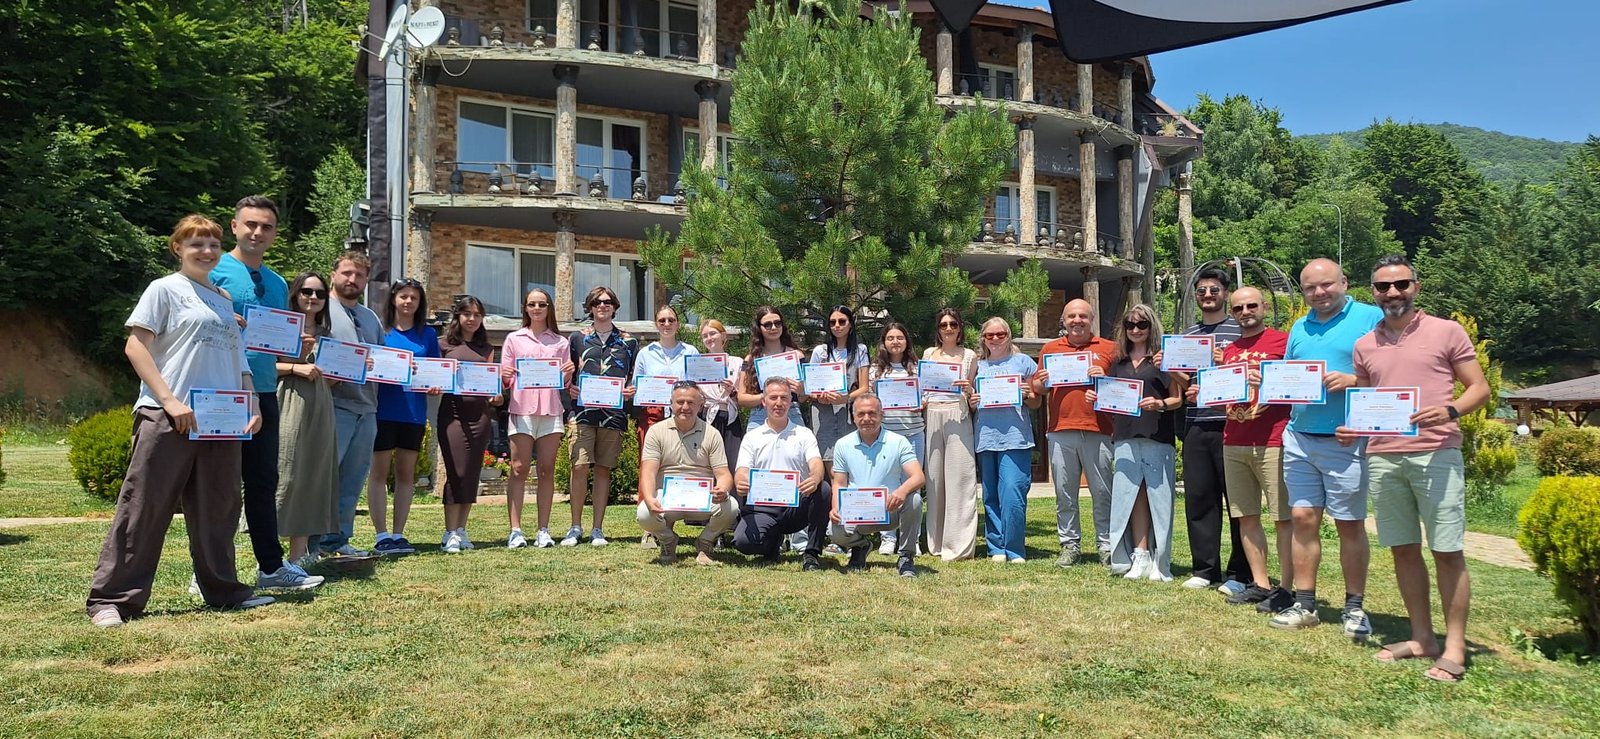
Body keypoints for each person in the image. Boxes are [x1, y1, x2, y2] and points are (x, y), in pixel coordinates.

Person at [86, 215, 273, 627]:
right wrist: (169, 401)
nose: (206, 251)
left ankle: (223, 590)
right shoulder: (164, 289)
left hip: (221, 419)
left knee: (219, 508)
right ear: (178, 248)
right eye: (196, 244)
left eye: (213, 244)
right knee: (144, 506)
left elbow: (238, 360)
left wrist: (253, 403)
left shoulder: (222, 299)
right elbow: (136, 347)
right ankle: (113, 600)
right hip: (168, 415)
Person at [1341, 255, 1488, 684]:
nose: (1393, 293)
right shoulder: (1365, 345)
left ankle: (1455, 646)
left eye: (1401, 284)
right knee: (1403, 549)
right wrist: (1353, 429)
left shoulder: (1446, 331)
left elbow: (1479, 388)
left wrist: (1450, 410)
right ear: (1373, 292)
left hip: (1435, 453)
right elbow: (1368, 403)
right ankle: (1422, 637)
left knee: (1447, 550)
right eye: (1383, 286)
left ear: (1416, 287)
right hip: (1383, 456)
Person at [207, 195, 318, 589]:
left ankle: (271, 568)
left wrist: (295, 346)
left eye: (266, 227)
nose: (257, 232)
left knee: (263, 482)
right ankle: (208, 569)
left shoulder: (276, 282)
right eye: (250, 224)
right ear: (235, 227)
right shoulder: (213, 270)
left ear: (274, 234)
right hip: (222, 390)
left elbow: (274, 344)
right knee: (219, 485)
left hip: (265, 391)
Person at [1272, 258, 1384, 638]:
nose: (1319, 293)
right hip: (1300, 437)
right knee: (1302, 519)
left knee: (1349, 525)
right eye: (1310, 288)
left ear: (1344, 282)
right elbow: (1288, 377)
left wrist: (1355, 380)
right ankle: (1305, 604)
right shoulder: (1299, 326)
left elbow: (1392, 373)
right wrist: (1266, 383)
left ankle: (1354, 608)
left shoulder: (1370, 318)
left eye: (1327, 285)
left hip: (1346, 440)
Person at [1193, 287, 1294, 612]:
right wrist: (1203, 394)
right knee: (1246, 516)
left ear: (1264, 307)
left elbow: (1298, 385)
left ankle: (1287, 588)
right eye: (1238, 308)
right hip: (1234, 439)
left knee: (1282, 518)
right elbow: (1224, 399)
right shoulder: (1230, 351)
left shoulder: (1283, 342)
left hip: (1273, 439)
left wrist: (1269, 382)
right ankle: (1260, 584)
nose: (1245, 312)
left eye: (1251, 306)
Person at [1095, 304, 1185, 581]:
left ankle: (1160, 561)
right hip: (1125, 437)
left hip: (1157, 436)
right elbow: (1112, 401)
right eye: (1130, 325)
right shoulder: (1118, 362)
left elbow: (1177, 398)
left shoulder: (1161, 359)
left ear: (1151, 327)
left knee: (1160, 499)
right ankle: (1139, 554)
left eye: (1142, 324)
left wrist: (1159, 404)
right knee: (1130, 498)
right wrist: (1098, 398)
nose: (1135, 330)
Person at [1180, 268, 1250, 593]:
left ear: (1225, 293)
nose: (1208, 295)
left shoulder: (1240, 330)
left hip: (1232, 423)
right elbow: (1184, 381)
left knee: (1237, 500)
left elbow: (1250, 373)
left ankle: (1240, 573)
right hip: (1196, 422)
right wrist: (1171, 367)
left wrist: (1226, 363)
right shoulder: (1188, 335)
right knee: (1199, 498)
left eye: (1214, 290)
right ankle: (1205, 569)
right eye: (1202, 291)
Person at [1033, 299, 1117, 568]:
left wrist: (1104, 377)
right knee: (1065, 493)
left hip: (1099, 429)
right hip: (1061, 429)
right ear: (1064, 320)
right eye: (1071, 316)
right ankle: (1069, 545)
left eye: (1082, 316)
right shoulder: (1050, 349)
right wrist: (1041, 382)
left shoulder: (1109, 348)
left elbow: (1122, 388)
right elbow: (1038, 388)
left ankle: (1106, 545)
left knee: (1103, 492)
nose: (1077, 320)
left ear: (1091, 319)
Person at [368, 278, 441, 555]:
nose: (408, 301)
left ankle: (399, 534)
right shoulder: (380, 331)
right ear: (393, 299)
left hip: (413, 413)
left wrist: (435, 385)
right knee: (378, 473)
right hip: (383, 410)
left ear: (420, 303)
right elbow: (369, 364)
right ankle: (381, 535)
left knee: (406, 475)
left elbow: (435, 371)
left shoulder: (428, 335)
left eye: (414, 298)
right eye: (403, 296)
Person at [274, 272, 340, 573]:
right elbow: (259, 364)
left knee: (312, 474)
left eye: (320, 294)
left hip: (320, 406)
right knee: (285, 472)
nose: (313, 298)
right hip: (287, 400)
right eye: (306, 292)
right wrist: (294, 367)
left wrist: (351, 369)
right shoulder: (280, 326)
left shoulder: (328, 335)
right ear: (295, 294)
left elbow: (331, 377)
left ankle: (298, 555)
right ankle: (269, 552)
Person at [320, 251, 384, 559]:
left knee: (352, 479)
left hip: (367, 408)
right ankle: (312, 542)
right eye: (346, 273)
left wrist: (403, 369)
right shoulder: (321, 309)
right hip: (334, 405)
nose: (352, 279)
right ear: (333, 274)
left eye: (359, 275)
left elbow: (383, 359)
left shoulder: (371, 317)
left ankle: (339, 539)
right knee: (325, 477)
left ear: (366, 280)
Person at [563, 285, 639, 547]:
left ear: (615, 306)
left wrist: (631, 391)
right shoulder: (576, 338)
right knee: (579, 466)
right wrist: (569, 387)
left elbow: (634, 376)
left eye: (607, 302)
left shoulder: (629, 341)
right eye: (597, 303)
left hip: (613, 414)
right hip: (582, 413)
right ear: (590, 308)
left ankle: (597, 528)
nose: (602, 306)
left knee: (604, 469)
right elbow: (567, 374)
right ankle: (575, 527)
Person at [499, 288, 573, 549]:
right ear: (526, 308)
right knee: (518, 468)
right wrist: (505, 375)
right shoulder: (514, 339)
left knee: (546, 469)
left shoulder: (560, 342)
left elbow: (565, 383)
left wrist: (568, 373)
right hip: (522, 409)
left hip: (551, 411)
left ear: (549, 308)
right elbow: (505, 379)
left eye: (542, 304)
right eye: (532, 304)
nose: (537, 308)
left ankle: (543, 529)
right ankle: (515, 530)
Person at [732, 378, 830, 570]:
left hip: (795, 506)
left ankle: (811, 553)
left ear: (790, 401)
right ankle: (772, 544)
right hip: (762, 507)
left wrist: (815, 477)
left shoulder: (803, 433)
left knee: (823, 489)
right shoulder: (752, 437)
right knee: (744, 542)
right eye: (773, 397)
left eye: (784, 398)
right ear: (764, 401)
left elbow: (816, 463)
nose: (779, 403)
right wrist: (741, 481)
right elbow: (741, 470)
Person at [635, 382, 737, 565]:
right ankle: (668, 540)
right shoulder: (656, 432)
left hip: (703, 498)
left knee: (732, 507)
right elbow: (648, 472)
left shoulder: (712, 434)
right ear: (671, 403)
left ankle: (705, 543)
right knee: (644, 513)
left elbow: (723, 474)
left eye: (691, 402)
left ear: (700, 405)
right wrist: (649, 498)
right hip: (667, 498)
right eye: (680, 402)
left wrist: (722, 489)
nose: (685, 407)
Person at [968, 318, 1041, 564]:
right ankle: (995, 547)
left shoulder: (1023, 362)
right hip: (985, 437)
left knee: (1012, 492)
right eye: (990, 335)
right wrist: (972, 402)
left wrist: (1028, 394)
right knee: (990, 496)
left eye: (1000, 334)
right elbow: (970, 400)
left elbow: (1036, 402)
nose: (995, 339)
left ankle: (1015, 549)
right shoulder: (977, 365)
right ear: (983, 338)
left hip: (1016, 438)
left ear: (1009, 336)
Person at [828, 396, 927, 577]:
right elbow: (839, 483)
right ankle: (860, 547)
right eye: (861, 414)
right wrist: (835, 507)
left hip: (891, 510)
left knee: (914, 500)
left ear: (881, 415)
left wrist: (902, 491)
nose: (867, 418)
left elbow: (918, 477)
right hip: (857, 512)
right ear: (853, 417)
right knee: (834, 531)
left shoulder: (898, 441)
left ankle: (906, 557)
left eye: (872, 413)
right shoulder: (843, 444)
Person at [436, 296, 502, 553]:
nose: (472, 319)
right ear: (458, 316)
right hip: (452, 415)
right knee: (456, 472)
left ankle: (461, 529)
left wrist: (497, 396)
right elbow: (434, 375)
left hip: (480, 417)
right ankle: (449, 531)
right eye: (467, 314)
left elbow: (492, 387)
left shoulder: (487, 348)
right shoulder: (443, 344)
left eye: (477, 314)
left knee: (471, 474)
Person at [921, 308, 979, 562]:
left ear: (960, 328)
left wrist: (969, 389)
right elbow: (923, 389)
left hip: (958, 414)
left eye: (953, 324)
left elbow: (973, 395)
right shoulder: (928, 354)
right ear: (938, 329)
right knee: (934, 481)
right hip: (933, 413)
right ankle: (936, 542)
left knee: (960, 479)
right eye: (943, 324)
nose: (948, 329)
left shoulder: (969, 356)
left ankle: (958, 545)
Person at [867, 322, 923, 556]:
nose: (895, 342)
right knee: (887, 485)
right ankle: (888, 537)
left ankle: (912, 539)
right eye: (890, 338)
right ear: (884, 342)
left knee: (912, 486)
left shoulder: (918, 368)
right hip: (887, 436)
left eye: (900, 337)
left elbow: (927, 395)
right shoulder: (875, 371)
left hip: (914, 434)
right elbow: (870, 401)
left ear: (906, 341)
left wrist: (922, 403)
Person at [808, 305, 870, 474]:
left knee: (853, 467)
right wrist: (819, 396)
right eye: (832, 322)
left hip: (849, 414)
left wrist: (846, 398)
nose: (837, 326)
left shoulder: (860, 351)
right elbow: (810, 388)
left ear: (850, 324)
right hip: (824, 413)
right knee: (833, 471)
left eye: (842, 321)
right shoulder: (820, 352)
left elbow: (864, 387)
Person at [633, 305, 699, 446]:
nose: (667, 324)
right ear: (656, 324)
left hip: (684, 414)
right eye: (662, 320)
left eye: (671, 320)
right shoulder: (645, 353)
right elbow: (636, 387)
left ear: (677, 324)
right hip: (652, 416)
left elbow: (697, 386)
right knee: (652, 458)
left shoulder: (691, 352)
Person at [736, 306, 804, 432]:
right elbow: (742, 398)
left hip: (791, 412)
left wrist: (801, 390)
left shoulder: (796, 356)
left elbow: (803, 398)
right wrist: (767, 396)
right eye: (767, 325)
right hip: (759, 414)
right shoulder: (750, 359)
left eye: (777, 323)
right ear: (759, 328)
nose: (773, 328)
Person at [697, 319, 746, 465]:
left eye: (713, 333)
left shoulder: (737, 362)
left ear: (723, 336)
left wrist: (732, 391)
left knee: (732, 462)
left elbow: (743, 396)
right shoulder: (698, 363)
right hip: (707, 416)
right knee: (707, 463)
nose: (709, 338)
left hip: (730, 417)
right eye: (705, 336)